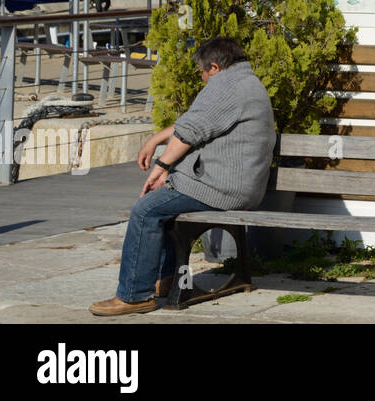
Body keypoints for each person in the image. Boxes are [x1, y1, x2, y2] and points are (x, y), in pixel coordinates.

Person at [89, 37, 276, 316]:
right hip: (235, 184)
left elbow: (189, 133)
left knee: (146, 209)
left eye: (202, 72)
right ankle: (164, 280)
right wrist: (155, 139)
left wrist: (161, 166)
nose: (202, 78)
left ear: (214, 67)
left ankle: (134, 295)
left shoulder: (226, 85)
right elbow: (195, 120)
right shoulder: (245, 81)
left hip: (223, 188)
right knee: (162, 204)